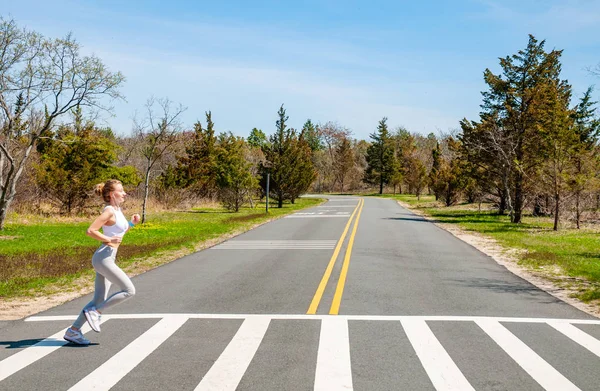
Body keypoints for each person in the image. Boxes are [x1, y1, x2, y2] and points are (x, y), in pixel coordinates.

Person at [63, 179, 140, 345]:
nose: (125, 193)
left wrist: (131, 224)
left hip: (106, 258)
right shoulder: (109, 211)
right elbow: (91, 230)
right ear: (112, 194)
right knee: (129, 290)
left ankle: (73, 331)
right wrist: (107, 240)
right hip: (103, 258)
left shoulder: (117, 211)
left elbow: (119, 230)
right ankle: (96, 312)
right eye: (121, 190)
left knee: (98, 299)